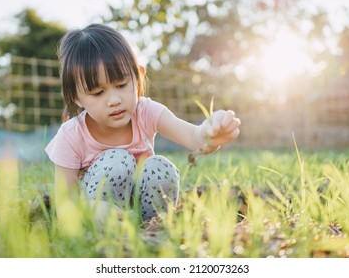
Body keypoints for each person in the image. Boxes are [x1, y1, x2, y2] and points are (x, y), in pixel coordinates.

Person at [45, 24, 241, 223]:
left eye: (121, 85)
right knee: (117, 161)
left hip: (141, 207)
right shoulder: (71, 135)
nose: (114, 100)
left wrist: (212, 135)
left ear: (137, 77)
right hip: (96, 215)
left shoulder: (146, 111)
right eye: (97, 93)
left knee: (160, 167)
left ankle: (153, 228)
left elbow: (194, 137)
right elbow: (64, 204)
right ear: (76, 97)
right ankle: (111, 231)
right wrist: (93, 212)